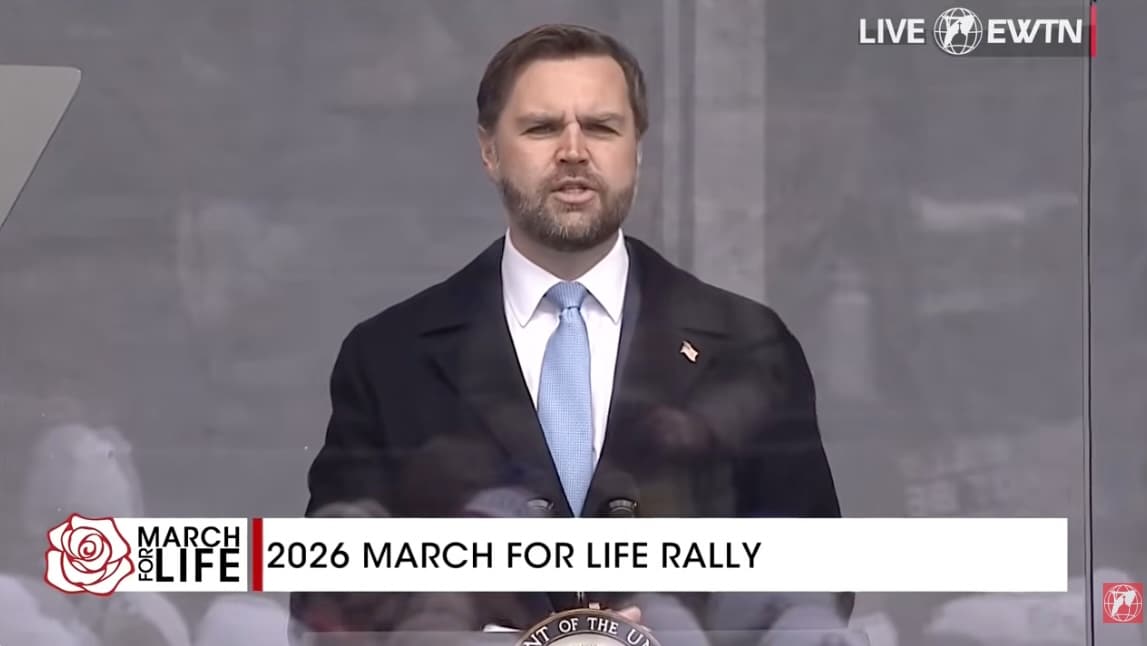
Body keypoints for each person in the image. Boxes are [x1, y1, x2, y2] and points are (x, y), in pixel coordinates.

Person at [291, 22, 852, 642]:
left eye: (603, 127)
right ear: (489, 151)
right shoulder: (388, 356)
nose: (574, 151)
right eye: (541, 128)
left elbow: (814, 579)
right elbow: (327, 595)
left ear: (637, 151)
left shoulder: (750, 343)